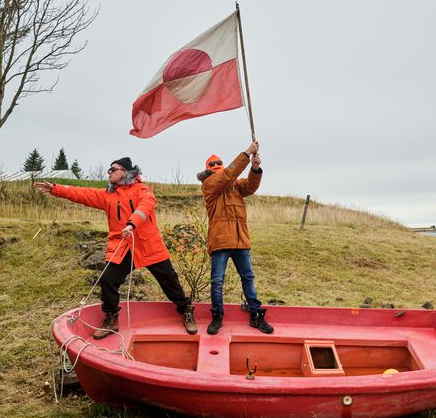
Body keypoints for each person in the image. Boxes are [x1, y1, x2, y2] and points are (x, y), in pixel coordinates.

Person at [34, 157, 197, 339]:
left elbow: (146, 206)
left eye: (114, 169)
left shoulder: (143, 189)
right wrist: (55, 189)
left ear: (126, 172)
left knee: (170, 282)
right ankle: (111, 319)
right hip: (123, 247)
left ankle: (186, 311)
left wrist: (131, 224)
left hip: (148, 245)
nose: (109, 172)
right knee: (108, 280)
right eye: (109, 170)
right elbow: (81, 193)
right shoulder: (108, 195)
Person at [197, 140, 273, 335]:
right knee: (217, 281)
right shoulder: (209, 185)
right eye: (214, 168)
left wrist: (255, 169)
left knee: (248, 279)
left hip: (240, 241)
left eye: (219, 167)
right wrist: (247, 153)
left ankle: (256, 315)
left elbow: (250, 186)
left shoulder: (235, 186)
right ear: (209, 172)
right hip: (221, 241)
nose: (217, 170)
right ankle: (217, 317)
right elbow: (228, 175)